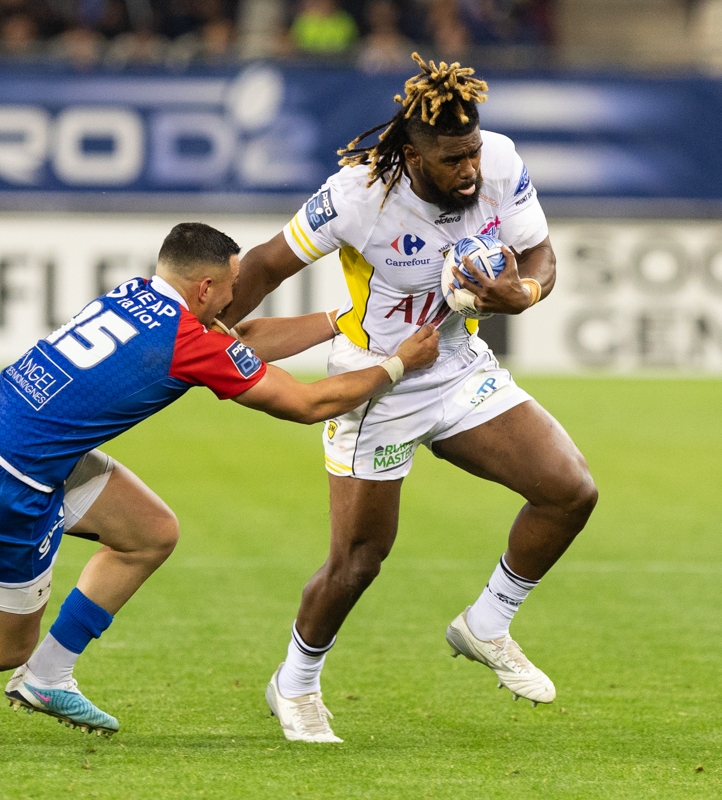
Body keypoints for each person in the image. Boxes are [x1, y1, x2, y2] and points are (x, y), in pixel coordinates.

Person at [0, 222, 439, 738]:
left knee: (150, 532)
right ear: (205, 288)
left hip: (11, 442)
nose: (237, 293)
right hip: (6, 486)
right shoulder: (189, 339)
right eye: (232, 284)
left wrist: (347, 321)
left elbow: (242, 339)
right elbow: (306, 404)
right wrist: (397, 364)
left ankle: (50, 675)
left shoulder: (140, 296)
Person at [217, 54, 598, 743]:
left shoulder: (503, 164)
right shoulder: (358, 196)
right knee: (359, 560)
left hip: (458, 366)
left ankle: (486, 624)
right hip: (377, 382)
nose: (469, 170)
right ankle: (295, 685)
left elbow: (539, 255)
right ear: (413, 155)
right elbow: (268, 263)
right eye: (452, 159)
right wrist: (202, 332)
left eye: (473, 151)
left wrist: (525, 293)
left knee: (569, 489)